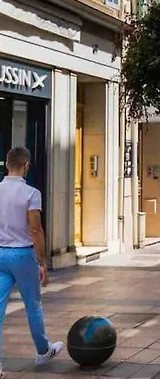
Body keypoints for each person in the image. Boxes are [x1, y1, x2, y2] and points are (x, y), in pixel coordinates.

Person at [0, 147, 64, 377]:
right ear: (26, 166)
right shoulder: (31, 193)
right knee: (33, 305)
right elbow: (35, 229)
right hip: (23, 255)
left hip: (0, 254)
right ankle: (43, 351)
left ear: (7, 164)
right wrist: (42, 262)